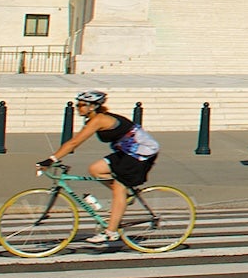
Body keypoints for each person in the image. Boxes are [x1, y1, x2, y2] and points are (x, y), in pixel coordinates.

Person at [38, 90, 161, 245]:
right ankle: (124, 196)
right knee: (96, 169)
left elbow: (74, 143)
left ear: (92, 107)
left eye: (82, 105)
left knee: (118, 187)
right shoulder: (93, 119)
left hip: (142, 151)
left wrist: (51, 159)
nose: (78, 108)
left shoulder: (99, 119)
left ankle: (111, 232)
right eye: (78, 104)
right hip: (126, 151)